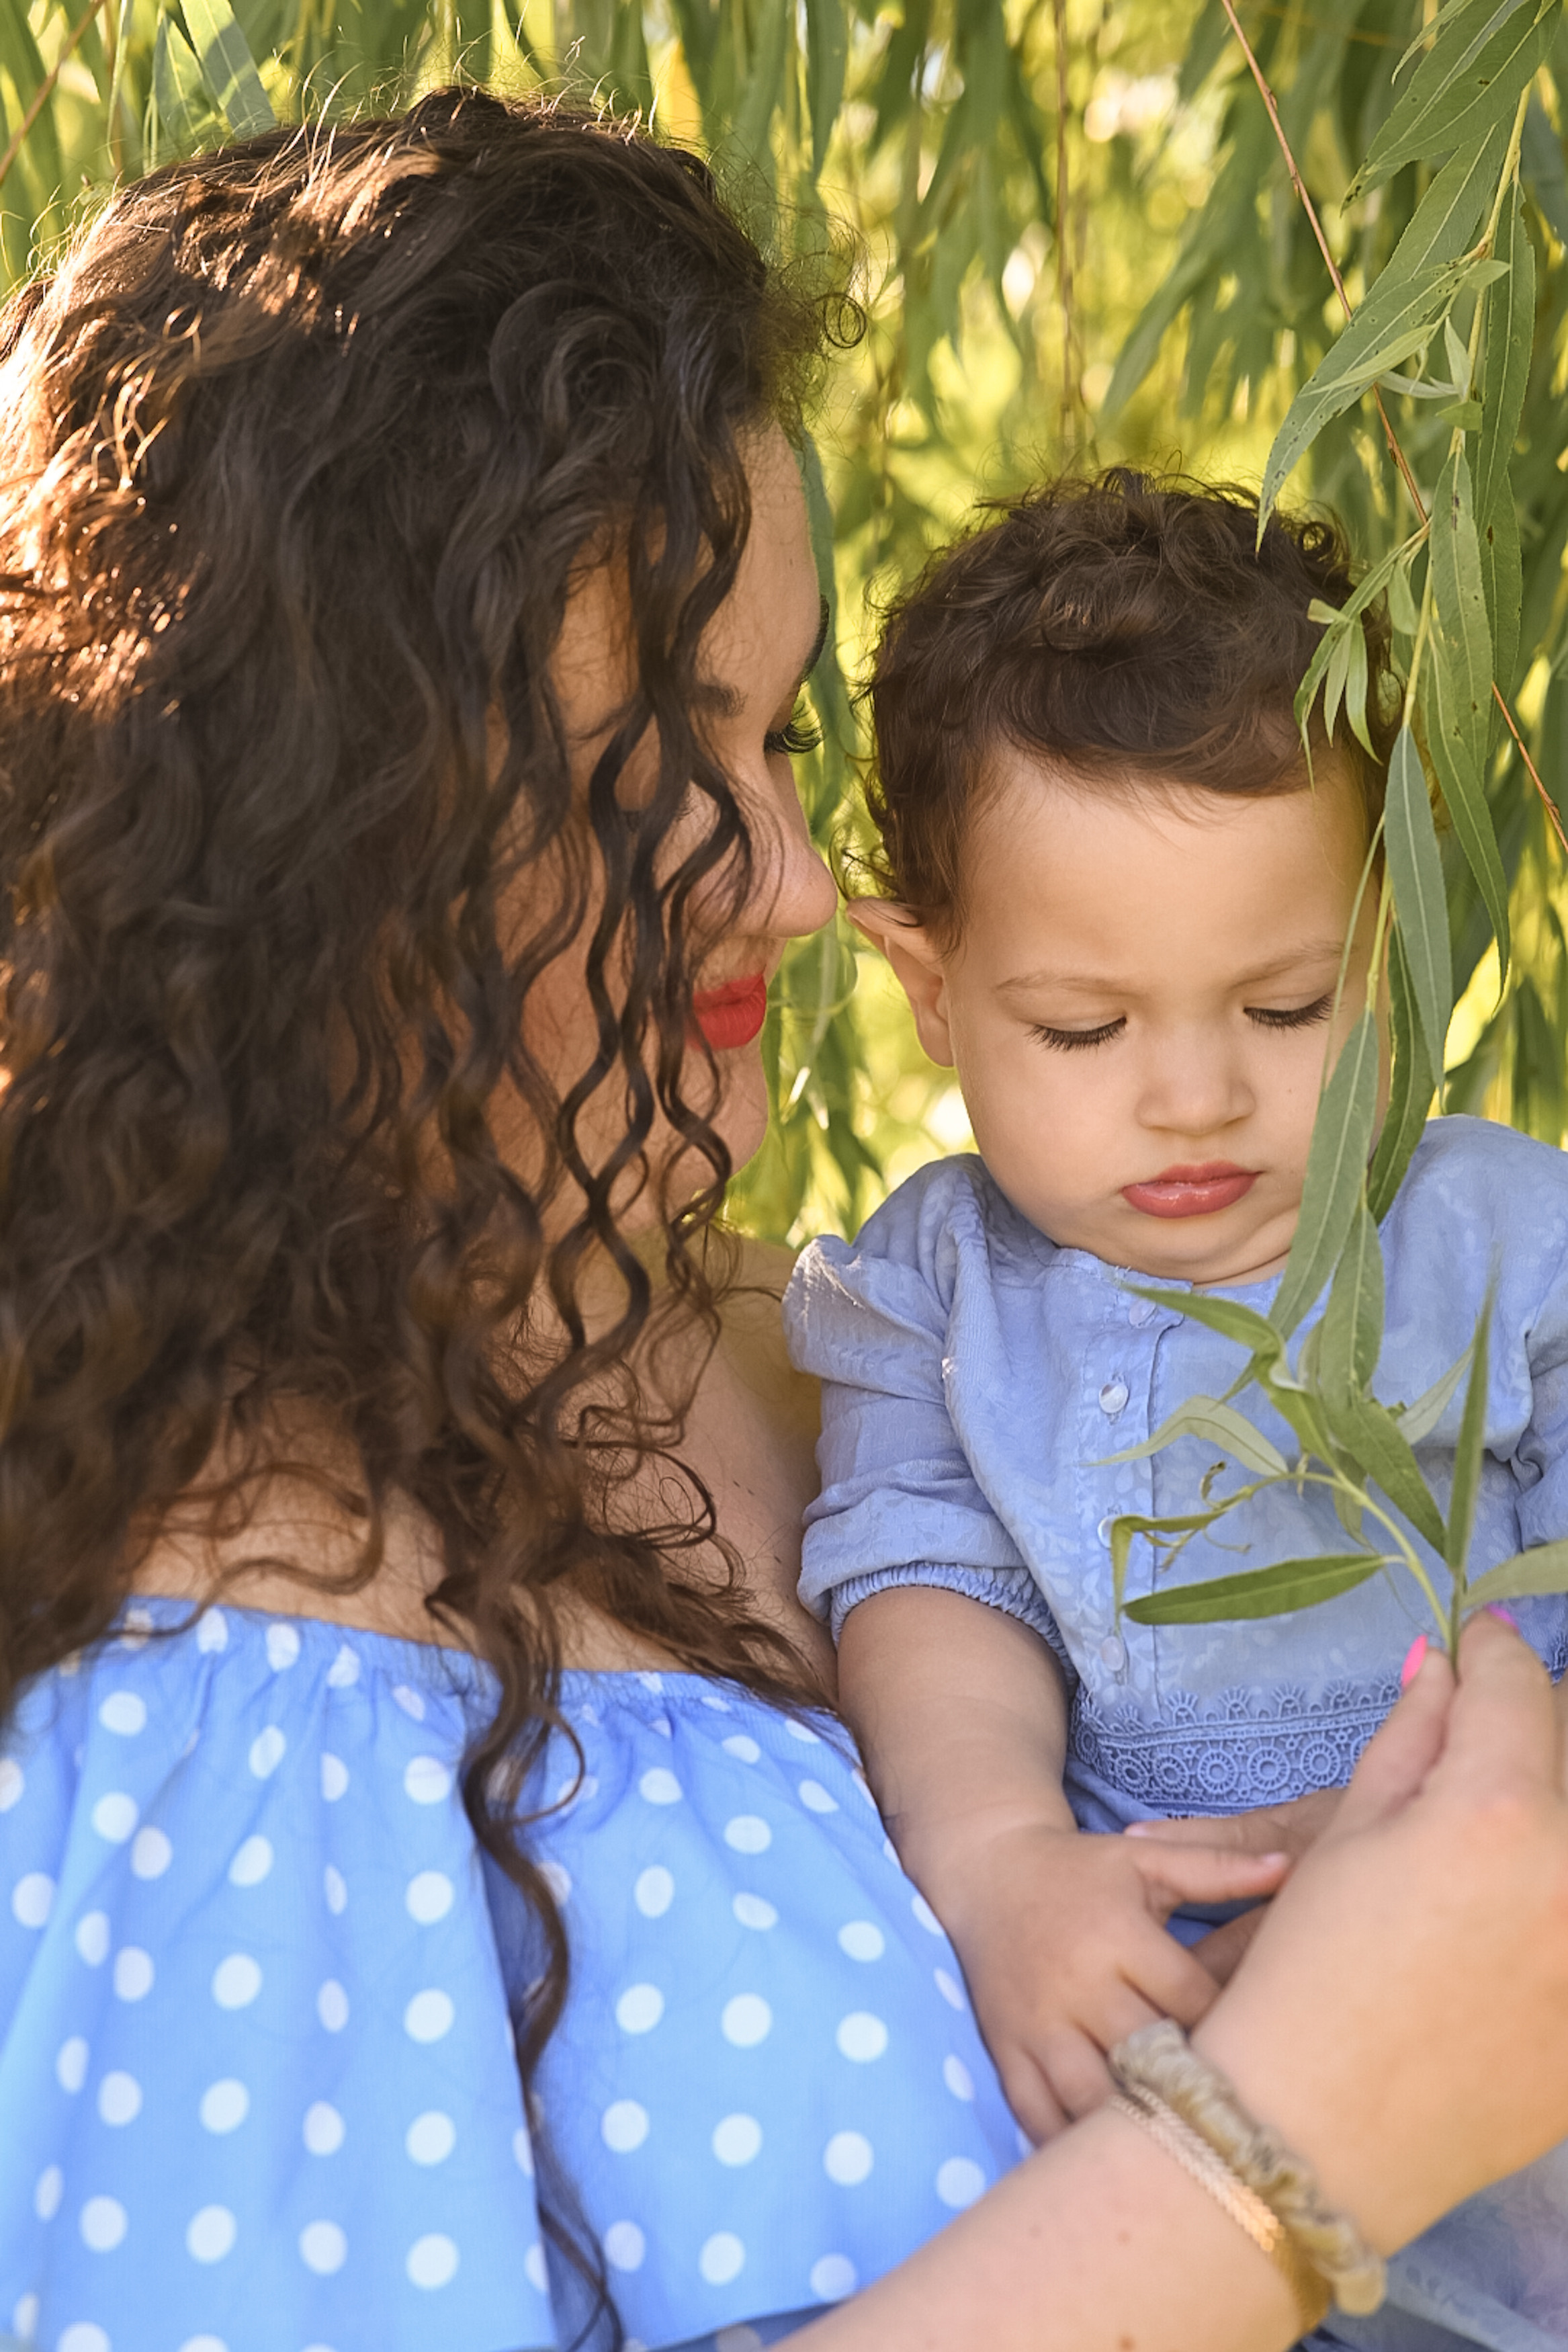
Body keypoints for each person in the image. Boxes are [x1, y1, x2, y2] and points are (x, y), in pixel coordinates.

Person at [1, 93, 1568, 2352]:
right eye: (667, 762)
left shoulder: (832, 1351)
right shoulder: (133, 1619)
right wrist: (1286, 2152)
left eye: (789, 743)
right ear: (332, 823)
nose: (807, 884)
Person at [783, 472, 1568, 2351]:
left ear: (1395, 938)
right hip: (1181, 2135)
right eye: (1085, 1029)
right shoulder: (935, 1293)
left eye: (1293, 1006)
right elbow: (924, 1582)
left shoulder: (1498, 1231)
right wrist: (997, 1864)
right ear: (930, 989)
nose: (1199, 1094)